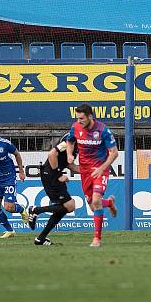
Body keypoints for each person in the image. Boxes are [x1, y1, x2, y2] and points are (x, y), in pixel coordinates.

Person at [27, 133, 105, 245]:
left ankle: (40, 238)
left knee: (64, 208)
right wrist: (58, 175)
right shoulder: (69, 141)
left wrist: (91, 171)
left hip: (53, 175)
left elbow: (71, 166)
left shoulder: (77, 145)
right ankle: (35, 210)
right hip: (51, 175)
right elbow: (52, 154)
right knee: (70, 205)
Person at [65, 104, 118, 247]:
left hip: (100, 169)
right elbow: (70, 141)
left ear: (90, 117)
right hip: (85, 171)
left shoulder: (103, 130)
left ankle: (97, 239)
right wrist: (69, 155)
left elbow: (114, 152)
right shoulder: (75, 127)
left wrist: (102, 168)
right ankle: (109, 203)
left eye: (81, 118)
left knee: (95, 201)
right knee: (92, 205)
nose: (79, 121)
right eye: (77, 118)